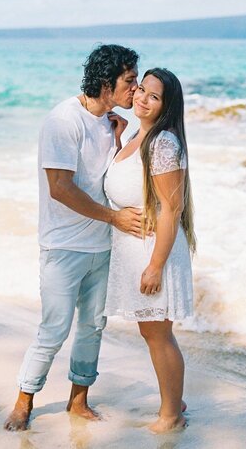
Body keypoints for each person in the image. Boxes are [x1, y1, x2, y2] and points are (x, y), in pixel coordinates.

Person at [4, 44, 141, 431]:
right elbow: (60, 187)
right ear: (105, 83)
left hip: (102, 245)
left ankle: (78, 401)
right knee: (54, 328)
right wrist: (114, 218)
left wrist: (118, 141)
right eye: (129, 82)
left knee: (93, 325)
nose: (135, 89)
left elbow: (105, 180)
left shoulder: (109, 121)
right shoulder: (62, 121)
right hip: (63, 246)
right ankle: (24, 400)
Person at [104, 67, 196, 434]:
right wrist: (117, 140)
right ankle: (175, 399)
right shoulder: (137, 138)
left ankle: (171, 415)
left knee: (158, 334)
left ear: (166, 106)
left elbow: (172, 209)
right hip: (137, 250)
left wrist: (156, 265)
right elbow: (128, 182)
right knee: (151, 332)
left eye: (153, 96)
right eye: (141, 89)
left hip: (154, 251)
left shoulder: (163, 143)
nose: (141, 97)